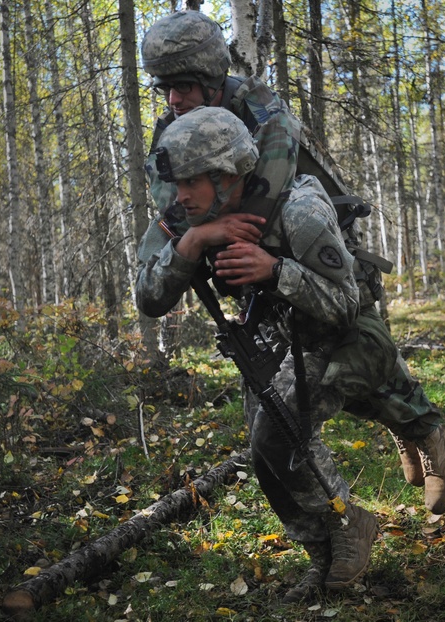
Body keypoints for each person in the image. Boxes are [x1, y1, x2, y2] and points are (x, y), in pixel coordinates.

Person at [139, 9, 445, 520]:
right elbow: (172, 212)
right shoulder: (174, 130)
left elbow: (257, 211)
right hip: (256, 276)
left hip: (311, 247)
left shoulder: (263, 113)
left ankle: (423, 432)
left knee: (350, 353)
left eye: (182, 86)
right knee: (298, 388)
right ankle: (403, 443)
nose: (172, 101)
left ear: (211, 77)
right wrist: (196, 237)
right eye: (164, 90)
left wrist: (221, 240)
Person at [136, 106, 380, 602]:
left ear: (227, 176)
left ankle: (351, 521)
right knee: (265, 455)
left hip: (345, 339)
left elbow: (346, 306)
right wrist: (197, 239)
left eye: (190, 183)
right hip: (276, 342)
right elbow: (149, 299)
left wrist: (274, 270)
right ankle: (323, 558)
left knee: (279, 432)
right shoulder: (193, 219)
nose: (179, 196)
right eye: (177, 184)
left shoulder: (300, 210)